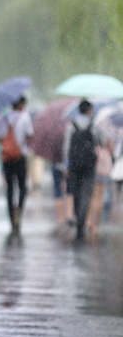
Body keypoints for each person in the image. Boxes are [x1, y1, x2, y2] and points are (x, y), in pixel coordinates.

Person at [0, 96, 34, 234]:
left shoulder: (4, 119)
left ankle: (12, 217)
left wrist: (9, 144)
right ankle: (19, 209)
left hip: (7, 158)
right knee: (22, 186)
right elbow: (30, 135)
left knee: (10, 187)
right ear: (21, 105)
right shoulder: (25, 118)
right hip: (20, 157)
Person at [62, 100, 96, 240]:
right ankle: (81, 220)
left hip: (74, 166)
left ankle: (78, 216)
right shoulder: (94, 126)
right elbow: (102, 140)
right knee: (86, 193)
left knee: (75, 192)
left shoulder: (71, 126)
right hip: (89, 166)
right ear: (88, 110)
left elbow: (66, 147)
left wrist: (66, 165)